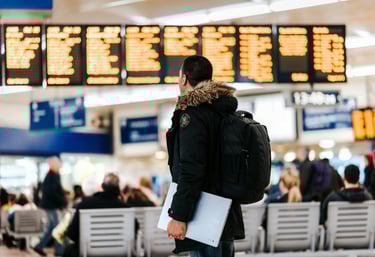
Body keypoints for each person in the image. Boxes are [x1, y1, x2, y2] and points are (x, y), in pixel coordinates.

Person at [166, 55, 244, 257]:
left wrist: (179, 215)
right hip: (225, 212)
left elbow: (191, 169)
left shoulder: (193, 115)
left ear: (183, 79)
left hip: (204, 215)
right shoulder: (224, 112)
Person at [63, 173, 129, 257]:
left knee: (69, 249)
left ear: (102, 186)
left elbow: (72, 234)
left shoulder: (85, 205)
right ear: (119, 188)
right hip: (119, 252)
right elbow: (134, 232)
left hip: (88, 251)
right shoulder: (125, 208)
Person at [33, 157, 66, 257]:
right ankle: (59, 251)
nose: (60, 165)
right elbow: (51, 192)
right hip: (51, 206)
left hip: (50, 205)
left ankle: (40, 246)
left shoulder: (52, 175)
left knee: (53, 227)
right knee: (58, 228)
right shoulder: (52, 175)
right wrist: (62, 201)